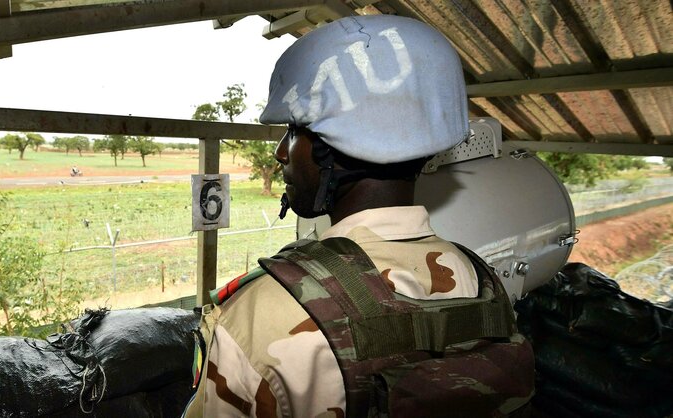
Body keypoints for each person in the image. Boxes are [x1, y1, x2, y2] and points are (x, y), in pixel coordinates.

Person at [184, 15, 533, 417]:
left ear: (337, 148)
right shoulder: (484, 283)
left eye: (295, 131)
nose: (282, 152)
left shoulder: (265, 313)